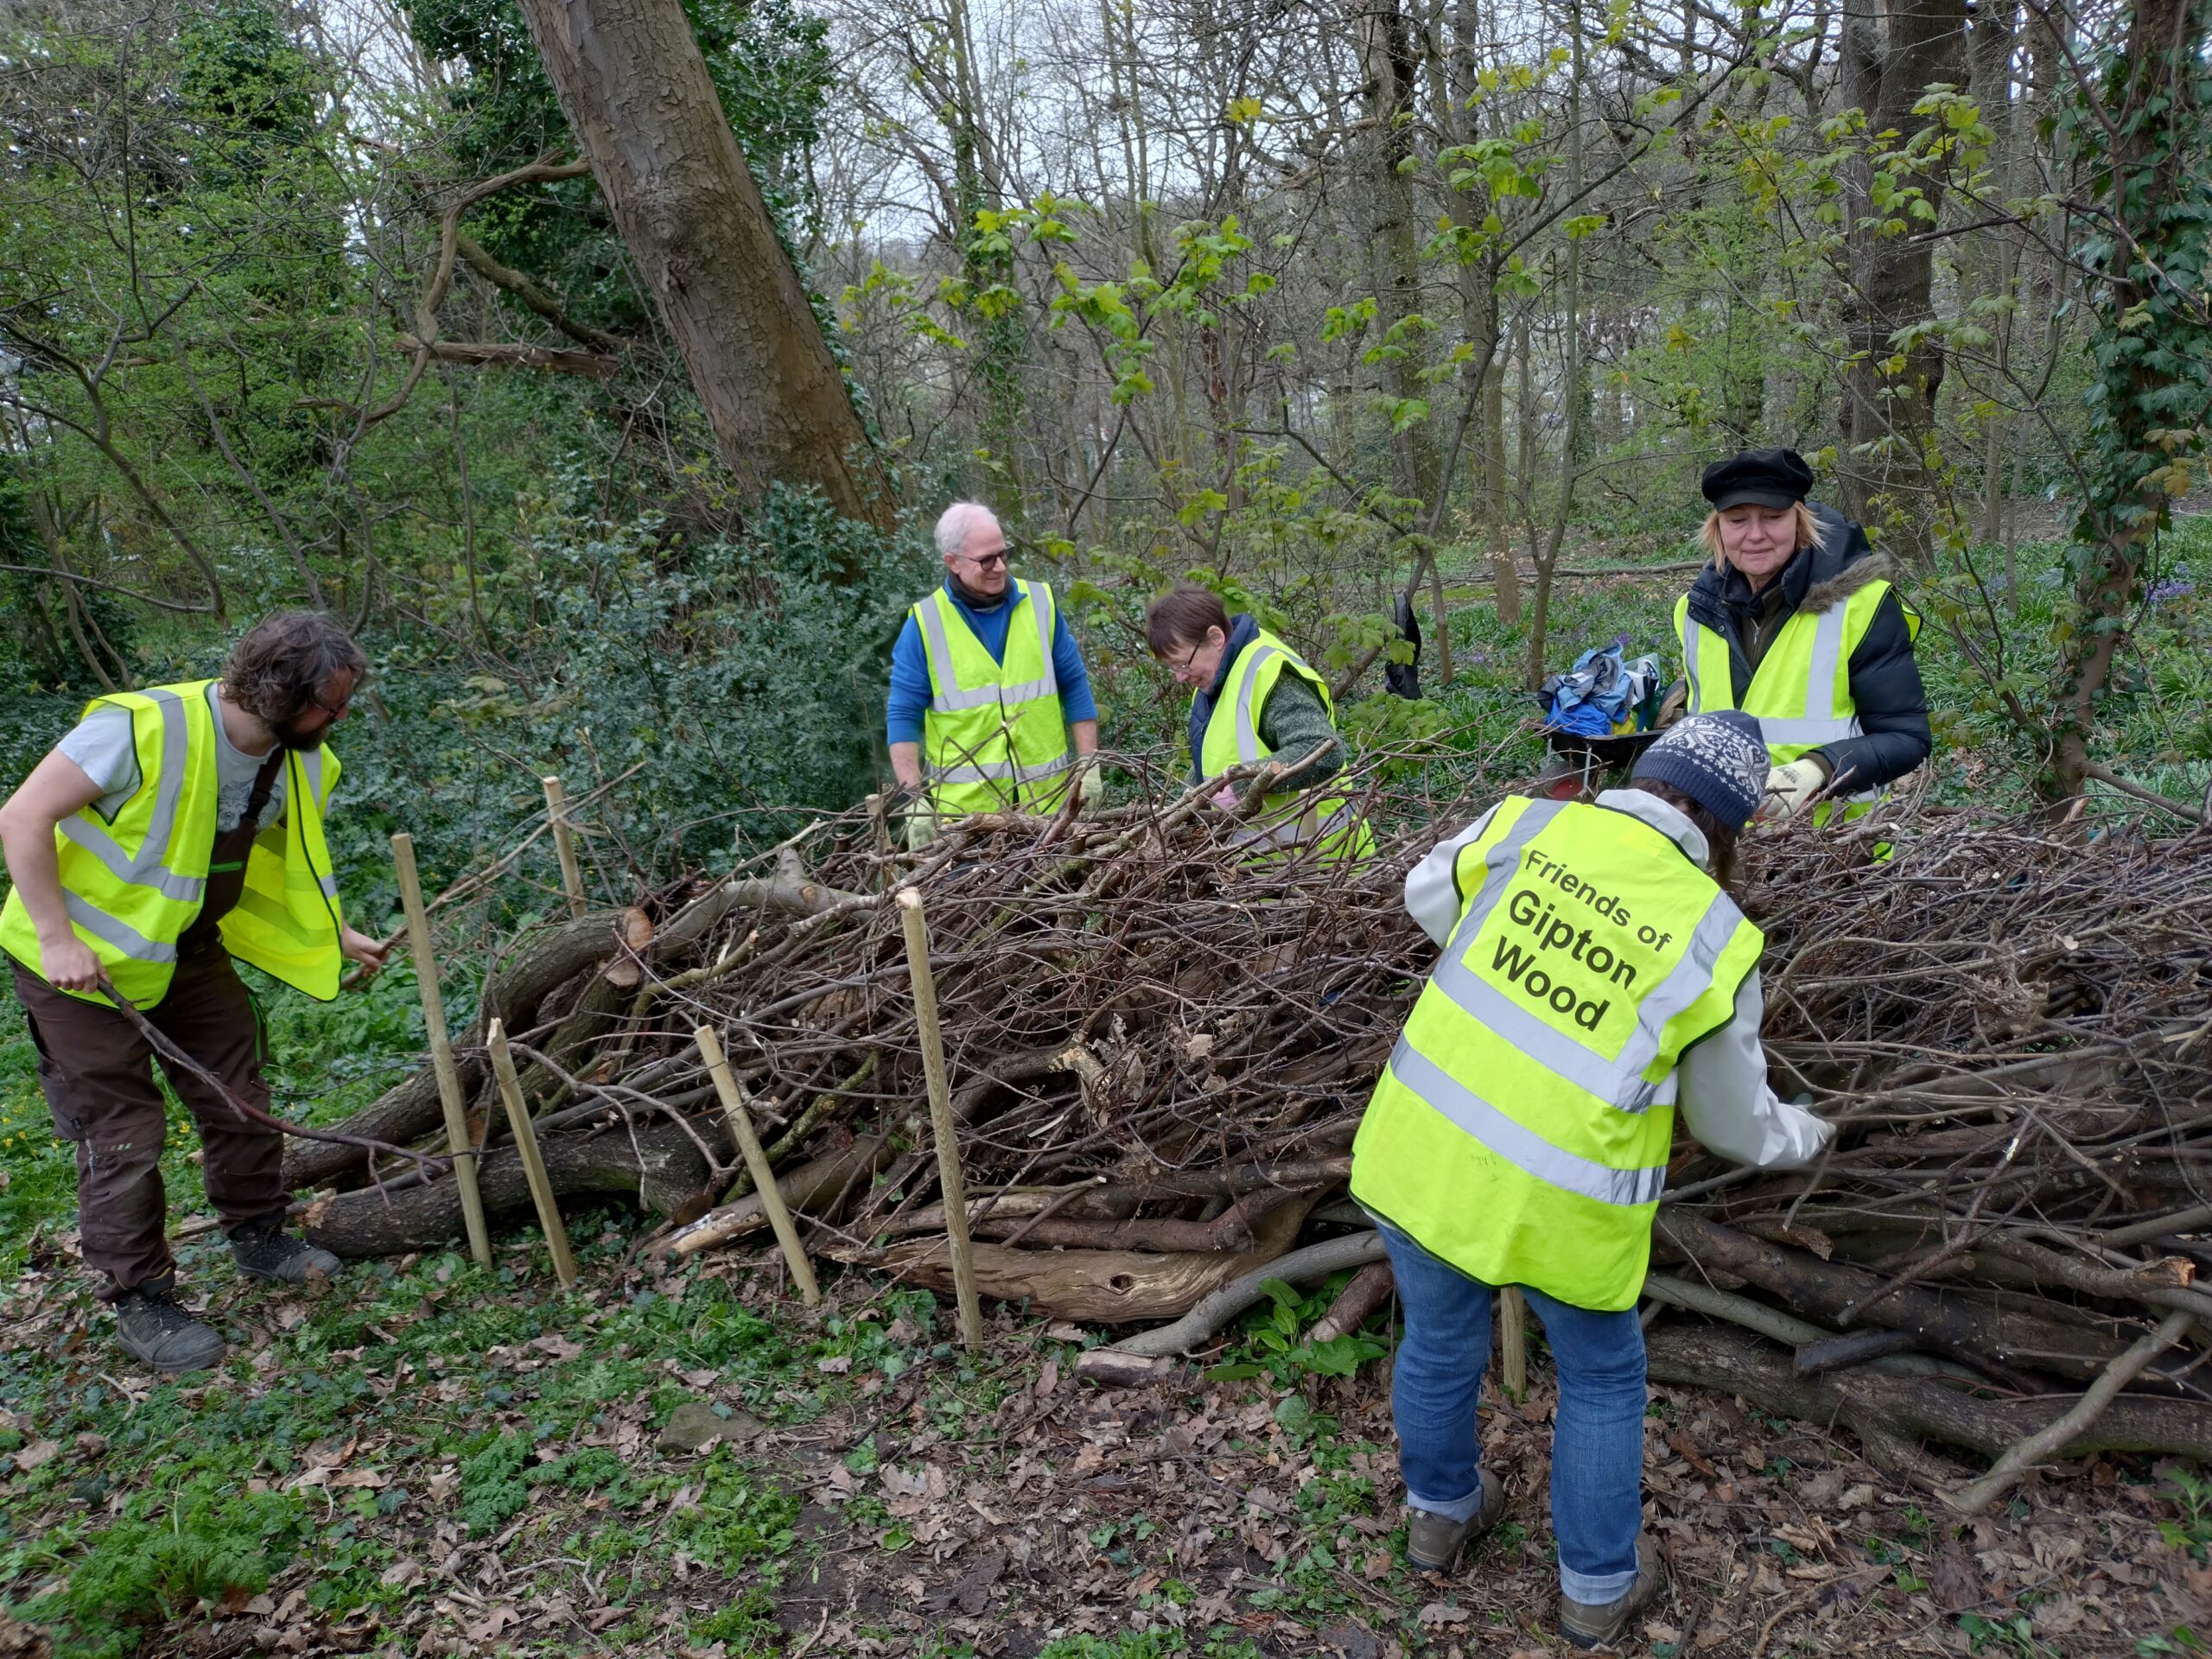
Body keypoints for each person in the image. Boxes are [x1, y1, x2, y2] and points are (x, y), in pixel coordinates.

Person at [1348, 713, 1832, 1649]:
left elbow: (1427, 899)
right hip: (1564, 1199)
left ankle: (1440, 1517)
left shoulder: (1528, 825)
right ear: (1727, 825)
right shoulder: (1715, 935)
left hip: (1426, 1148)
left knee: (1441, 1343)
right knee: (1602, 1378)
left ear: (1644, 774)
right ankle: (1596, 1591)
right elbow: (1731, 1122)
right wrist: (1805, 1132)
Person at [0, 613, 392, 1374]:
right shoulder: (143, 728)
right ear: (278, 692)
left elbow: (279, 862)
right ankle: (140, 1298)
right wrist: (57, 938)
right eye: (330, 705)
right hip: (76, 971)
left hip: (184, 954)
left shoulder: (300, 759)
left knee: (238, 1091)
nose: (339, 719)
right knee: (123, 1132)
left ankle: (259, 1235)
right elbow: (21, 816)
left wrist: (337, 933)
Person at [1675, 448, 1930, 823]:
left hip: (1837, 854)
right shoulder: (1694, 611)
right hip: (1726, 844)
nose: (1755, 535)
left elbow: (1907, 738)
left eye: (1773, 517)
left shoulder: (1862, 606)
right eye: (1738, 519)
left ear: (1800, 521)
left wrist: (1817, 769)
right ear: (1717, 528)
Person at [887, 502, 1100, 842]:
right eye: (986, 559)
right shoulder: (925, 626)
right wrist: (913, 802)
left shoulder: (1040, 604)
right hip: (967, 825)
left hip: (1047, 813)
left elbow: (1074, 685)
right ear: (952, 561)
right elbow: (902, 719)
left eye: (1004, 554)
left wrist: (1089, 767)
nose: (999, 567)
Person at [1144, 584, 1371, 863]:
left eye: (1182, 665)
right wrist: (1191, 799)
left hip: (1319, 869)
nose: (1180, 677)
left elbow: (1323, 750)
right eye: (1173, 668)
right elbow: (1219, 756)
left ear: (1215, 638)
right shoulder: (1212, 682)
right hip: (1264, 877)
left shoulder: (1269, 673)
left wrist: (1242, 785)